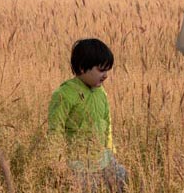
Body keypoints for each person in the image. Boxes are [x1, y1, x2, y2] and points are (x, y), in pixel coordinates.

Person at [47, 38, 127, 192]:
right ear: (83, 68)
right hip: (78, 163)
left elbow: (106, 121)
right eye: (101, 70)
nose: (106, 75)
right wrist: (58, 163)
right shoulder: (64, 94)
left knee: (122, 178)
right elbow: (55, 130)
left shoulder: (101, 92)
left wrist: (110, 149)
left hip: (102, 157)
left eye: (107, 70)